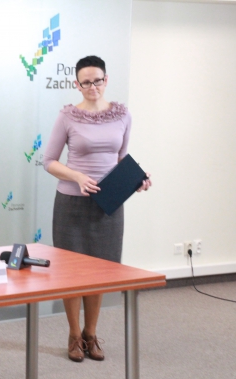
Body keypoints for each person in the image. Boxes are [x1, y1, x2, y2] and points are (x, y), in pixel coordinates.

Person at [43, 56, 152, 363]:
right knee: (71, 272)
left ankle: (91, 333)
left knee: (100, 271)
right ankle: (74, 335)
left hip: (108, 204)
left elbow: (121, 158)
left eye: (98, 80)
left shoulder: (123, 115)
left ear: (106, 80)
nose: (93, 86)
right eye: (86, 82)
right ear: (77, 84)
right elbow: (49, 161)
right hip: (71, 204)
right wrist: (77, 176)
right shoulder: (67, 116)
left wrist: (137, 179)